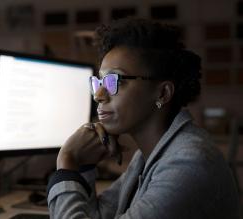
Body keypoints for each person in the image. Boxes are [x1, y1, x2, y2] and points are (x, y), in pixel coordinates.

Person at [46, 18, 241, 219]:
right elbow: (98, 215)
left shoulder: (189, 163)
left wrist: (66, 163)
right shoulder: (148, 155)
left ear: (162, 94)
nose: (99, 95)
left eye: (115, 80)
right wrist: (83, 165)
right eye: (99, 82)